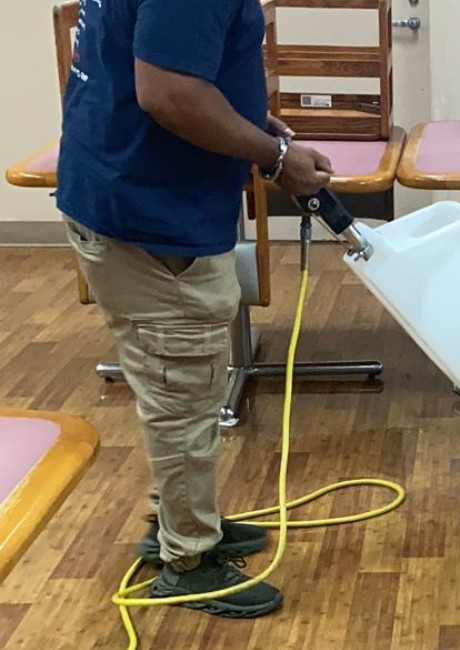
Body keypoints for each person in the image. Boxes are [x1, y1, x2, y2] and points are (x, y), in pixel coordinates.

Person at [55, 0, 332, 618]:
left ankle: (180, 522)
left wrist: (244, 119)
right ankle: (188, 562)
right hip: (149, 211)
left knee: (177, 387)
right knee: (180, 389)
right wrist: (274, 157)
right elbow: (170, 93)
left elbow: (165, 59)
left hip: (122, 187)